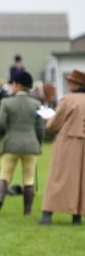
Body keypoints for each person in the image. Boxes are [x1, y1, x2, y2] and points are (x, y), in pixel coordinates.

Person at [0, 71, 44, 216]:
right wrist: (38, 142)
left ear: (18, 85)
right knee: (29, 178)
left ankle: (0, 200)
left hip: (11, 144)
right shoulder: (36, 104)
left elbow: (0, 125)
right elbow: (40, 128)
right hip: (31, 145)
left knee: (4, 175)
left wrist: (4, 135)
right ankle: (27, 211)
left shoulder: (6, 102)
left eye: (13, 84)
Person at [39, 69, 85, 225]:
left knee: (57, 177)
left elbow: (54, 124)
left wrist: (48, 122)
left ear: (76, 84)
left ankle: (47, 214)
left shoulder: (68, 100)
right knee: (80, 180)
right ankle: (77, 216)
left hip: (67, 142)